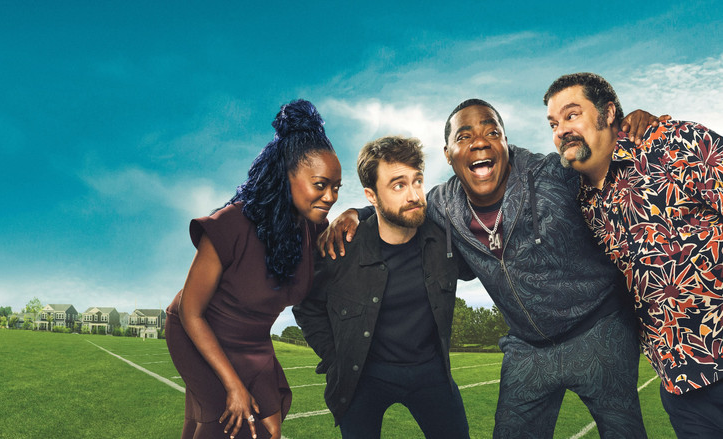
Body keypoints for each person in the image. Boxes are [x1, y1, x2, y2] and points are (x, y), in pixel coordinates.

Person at [320, 100, 665, 438]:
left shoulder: (553, 174)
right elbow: (400, 207)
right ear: (448, 155)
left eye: (492, 132)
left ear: (505, 142)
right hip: (528, 348)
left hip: (599, 331)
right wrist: (357, 213)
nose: (479, 142)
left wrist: (634, 130)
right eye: (464, 136)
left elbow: (604, 160)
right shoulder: (442, 205)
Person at [544, 72, 723, 438]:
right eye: (553, 124)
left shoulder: (673, 143)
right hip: (681, 386)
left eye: (572, 114)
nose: (562, 130)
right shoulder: (574, 201)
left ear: (609, 113)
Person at [165, 99, 342, 439]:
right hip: (198, 331)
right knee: (232, 425)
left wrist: (354, 215)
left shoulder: (312, 226)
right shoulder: (231, 223)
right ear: (286, 176)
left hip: (253, 343)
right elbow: (190, 312)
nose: (331, 197)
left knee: (269, 429)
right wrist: (233, 385)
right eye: (321, 185)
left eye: (337, 188)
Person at [293, 136, 473, 438]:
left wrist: (358, 210)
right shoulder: (341, 248)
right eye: (398, 185)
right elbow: (306, 305)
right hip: (363, 375)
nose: (414, 195)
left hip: (430, 371)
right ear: (371, 195)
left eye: (417, 181)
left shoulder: (444, 239)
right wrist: (335, 358)